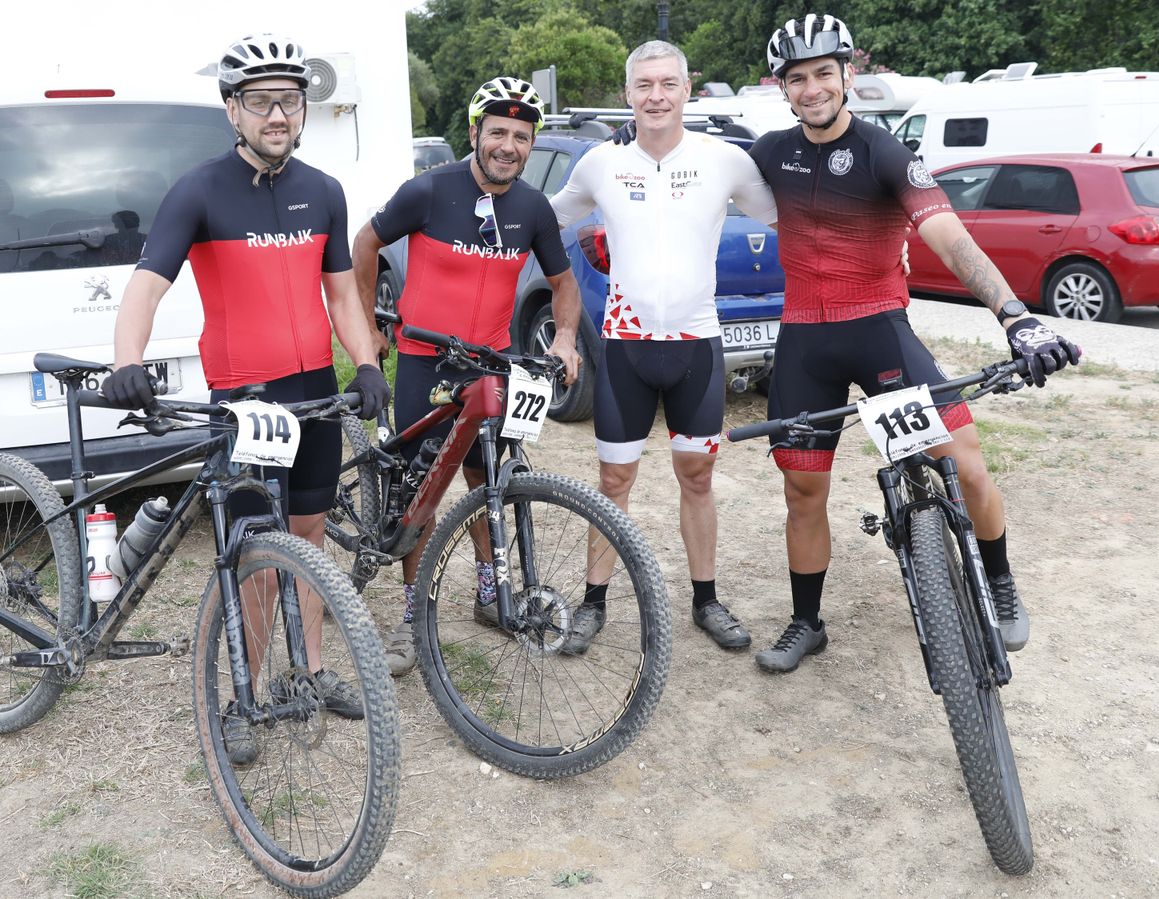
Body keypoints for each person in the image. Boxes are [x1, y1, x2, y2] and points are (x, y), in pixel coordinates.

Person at [745, 13, 1080, 673]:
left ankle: (1001, 578)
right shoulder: (768, 154)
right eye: (797, 78)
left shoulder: (885, 153)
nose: (811, 88)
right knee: (802, 492)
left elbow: (950, 236)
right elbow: (696, 168)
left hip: (878, 331)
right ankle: (807, 622)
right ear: (782, 88)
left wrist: (1015, 315)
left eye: (822, 73)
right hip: (804, 341)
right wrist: (633, 139)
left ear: (848, 74)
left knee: (966, 460)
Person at [98, 33, 389, 759]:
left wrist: (366, 361)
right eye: (260, 101)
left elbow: (341, 297)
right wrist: (126, 360)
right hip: (245, 401)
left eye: (289, 100)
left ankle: (314, 671)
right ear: (233, 111)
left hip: (315, 393)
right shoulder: (199, 191)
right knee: (258, 553)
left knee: (314, 540)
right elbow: (146, 286)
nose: (277, 114)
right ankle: (247, 694)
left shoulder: (324, 191)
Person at [547, 41, 779, 655]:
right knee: (614, 478)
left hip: (696, 346)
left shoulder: (724, 160)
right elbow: (545, 221)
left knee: (697, 475)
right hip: (625, 346)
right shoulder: (599, 163)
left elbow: (791, 216)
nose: (656, 95)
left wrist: (882, 240)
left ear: (686, 89)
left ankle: (706, 599)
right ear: (628, 93)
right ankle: (594, 602)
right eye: (644, 84)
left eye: (668, 84)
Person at [350, 77, 584, 675]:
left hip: (494, 362)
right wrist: (369, 332)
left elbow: (562, 283)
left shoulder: (532, 207)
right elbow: (365, 242)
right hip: (426, 360)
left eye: (522, 137)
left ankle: (489, 591)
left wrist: (562, 337)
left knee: (491, 480)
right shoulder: (429, 190)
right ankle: (410, 614)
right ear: (475, 133)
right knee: (419, 491)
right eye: (499, 133)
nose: (509, 145)